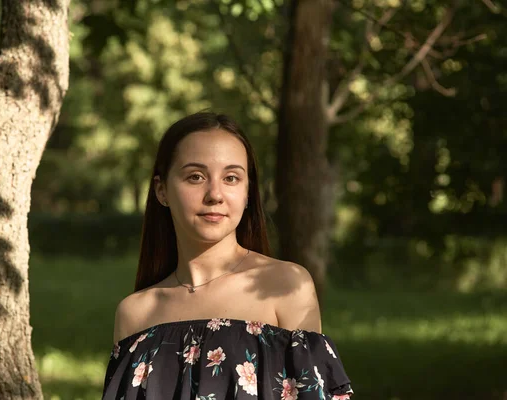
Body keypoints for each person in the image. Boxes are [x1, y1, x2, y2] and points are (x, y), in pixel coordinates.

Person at [101, 112, 353, 399]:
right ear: (162, 190)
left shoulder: (284, 285)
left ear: (247, 194)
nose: (215, 194)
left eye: (231, 178)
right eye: (195, 177)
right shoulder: (135, 315)